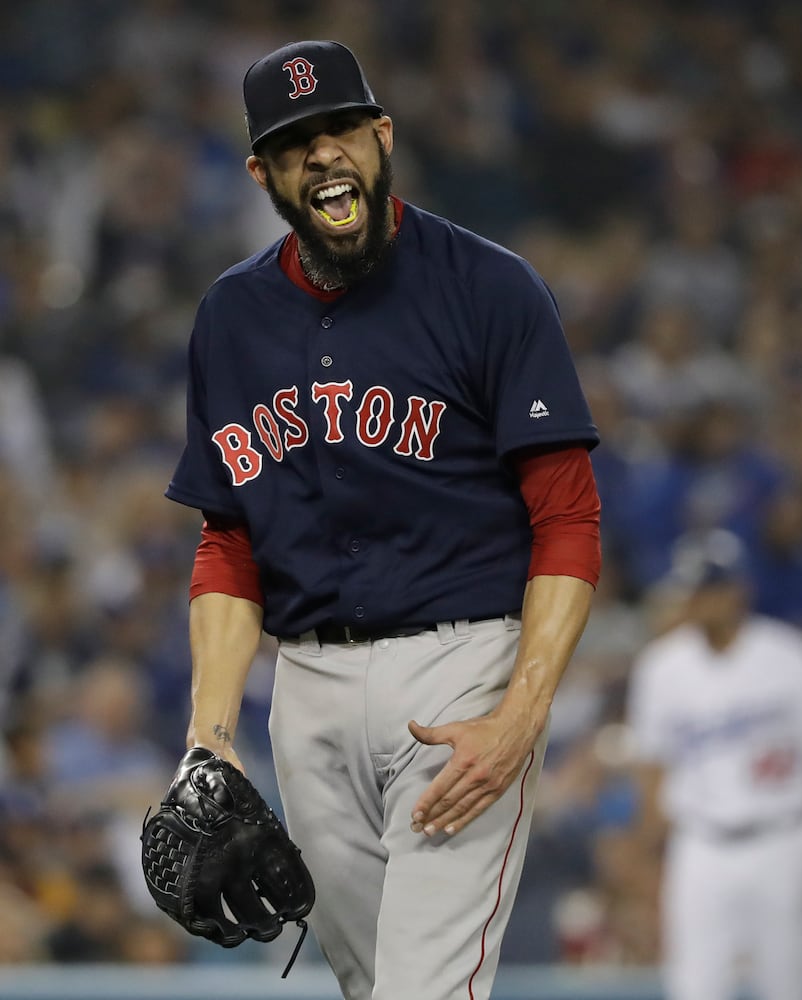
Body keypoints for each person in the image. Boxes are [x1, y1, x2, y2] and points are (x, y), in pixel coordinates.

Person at [166, 39, 601, 1000]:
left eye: (339, 130)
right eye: (293, 144)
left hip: (459, 677)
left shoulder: (487, 286)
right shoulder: (230, 316)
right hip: (307, 693)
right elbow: (228, 539)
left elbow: (567, 514)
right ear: (263, 174)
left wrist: (521, 714)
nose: (322, 155)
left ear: (381, 136)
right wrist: (210, 736)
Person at [626, 529, 802, 1000]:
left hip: (783, 837)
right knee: (695, 986)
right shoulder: (662, 667)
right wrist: (648, 861)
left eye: (710, 588)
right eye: (694, 589)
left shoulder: (788, 657)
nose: (699, 600)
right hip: (700, 845)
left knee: (787, 983)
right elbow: (651, 769)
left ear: (738, 589)